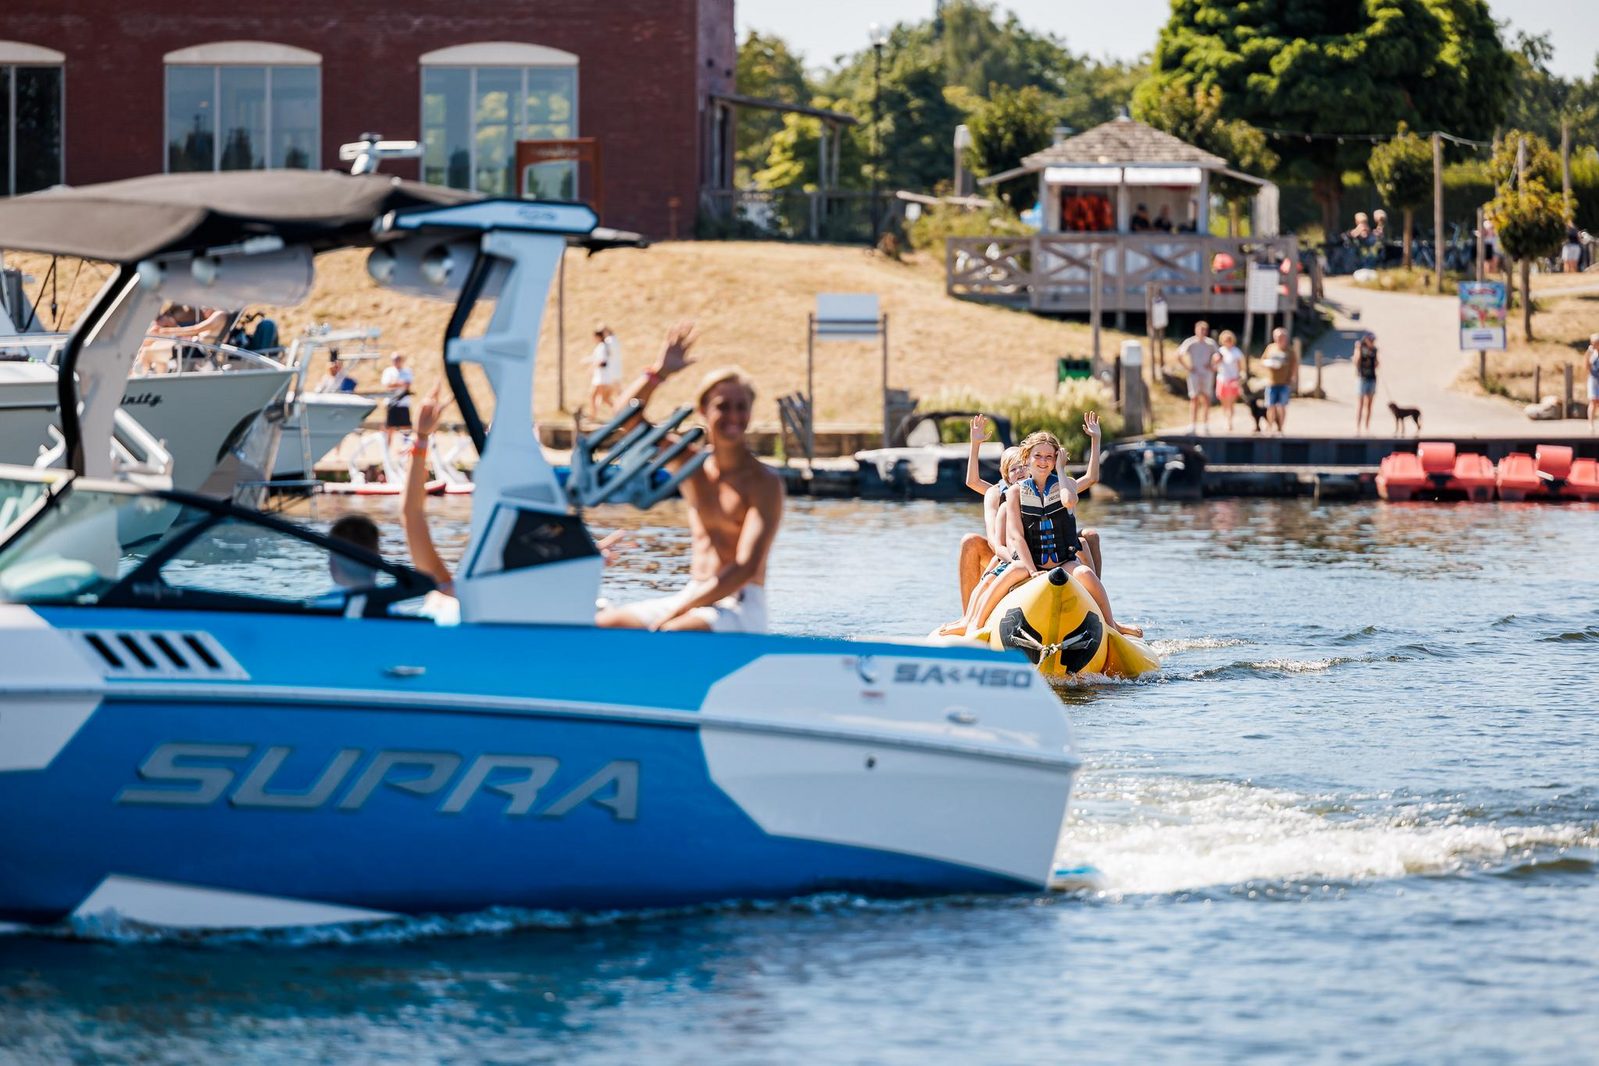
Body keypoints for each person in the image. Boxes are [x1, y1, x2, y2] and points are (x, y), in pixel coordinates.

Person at [596, 323, 784, 633]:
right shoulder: (691, 466)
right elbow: (624, 419)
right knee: (605, 624)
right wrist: (659, 373)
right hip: (694, 595)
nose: (733, 416)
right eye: (723, 407)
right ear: (703, 411)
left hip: (740, 604)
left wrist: (677, 613)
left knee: (676, 632)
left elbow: (746, 566)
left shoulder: (764, 482)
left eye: (742, 407)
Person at [1004, 418, 1141, 637]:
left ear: (1057, 459)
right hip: (1031, 563)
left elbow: (1071, 498)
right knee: (1001, 578)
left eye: (1049, 457)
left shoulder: (1065, 484)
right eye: (1037, 456)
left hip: (1063, 562)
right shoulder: (1015, 492)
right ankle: (974, 623)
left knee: (1086, 573)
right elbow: (1017, 536)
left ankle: (1112, 627)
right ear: (1026, 457)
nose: (1042, 461)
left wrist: (1094, 441)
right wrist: (1031, 571)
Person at [1177, 320, 1218, 434]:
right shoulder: (1190, 342)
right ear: (1196, 330)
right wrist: (1188, 367)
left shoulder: (1210, 343)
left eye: (1204, 330)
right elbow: (1179, 355)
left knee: (1206, 398)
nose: (1202, 332)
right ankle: (1193, 424)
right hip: (1194, 374)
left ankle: (1205, 424)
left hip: (1207, 374)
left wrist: (1212, 366)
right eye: (1200, 329)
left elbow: (1218, 356)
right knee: (1194, 398)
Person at [1260, 327, 1296, 435]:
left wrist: (1293, 379)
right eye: (1277, 337)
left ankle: (1280, 428)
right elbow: (1262, 361)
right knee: (1270, 406)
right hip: (1271, 382)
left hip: (1284, 382)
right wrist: (1269, 363)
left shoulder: (1290, 351)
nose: (1279, 339)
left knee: (1281, 406)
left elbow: (1294, 365)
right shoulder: (1270, 348)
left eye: (1281, 337)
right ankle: (1269, 426)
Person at [380, 351, 414, 454]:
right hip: (392, 403)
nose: (396, 361)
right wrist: (400, 383)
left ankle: (406, 448)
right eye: (394, 359)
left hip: (403, 403)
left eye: (398, 359)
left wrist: (395, 383)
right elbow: (387, 385)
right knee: (390, 427)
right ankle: (387, 451)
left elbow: (407, 384)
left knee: (406, 427)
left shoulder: (407, 371)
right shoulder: (388, 371)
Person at [585, 325, 623, 416]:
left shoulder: (603, 346)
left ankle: (593, 416)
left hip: (602, 377)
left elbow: (602, 361)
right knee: (604, 398)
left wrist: (591, 368)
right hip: (603, 377)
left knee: (594, 396)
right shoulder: (603, 346)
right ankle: (619, 412)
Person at [1214, 329, 1245, 432]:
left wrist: (1240, 379)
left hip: (1233, 380)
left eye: (1229, 339)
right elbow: (1213, 366)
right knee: (1223, 401)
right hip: (1222, 379)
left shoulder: (1236, 352)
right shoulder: (1220, 351)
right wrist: (1217, 361)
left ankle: (1229, 422)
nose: (1228, 341)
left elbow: (1241, 367)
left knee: (1231, 402)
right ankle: (1226, 418)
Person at [1354, 332, 1379, 434]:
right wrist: (1358, 349)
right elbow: (1356, 361)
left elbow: (1377, 363)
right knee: (1360, 403)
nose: (1372, 342)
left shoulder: (1374, 350)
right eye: (1371, 340)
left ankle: (1367, 427)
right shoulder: (1360, 349)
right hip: (1362, 378)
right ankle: (1358, 427)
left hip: (1372, 378)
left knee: (1369, 404)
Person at [1587, 333, 1599, 434]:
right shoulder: (1591, 353)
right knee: (1593, 402)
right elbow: (1587, 366)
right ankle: (1591, 425)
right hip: (1594, 380)